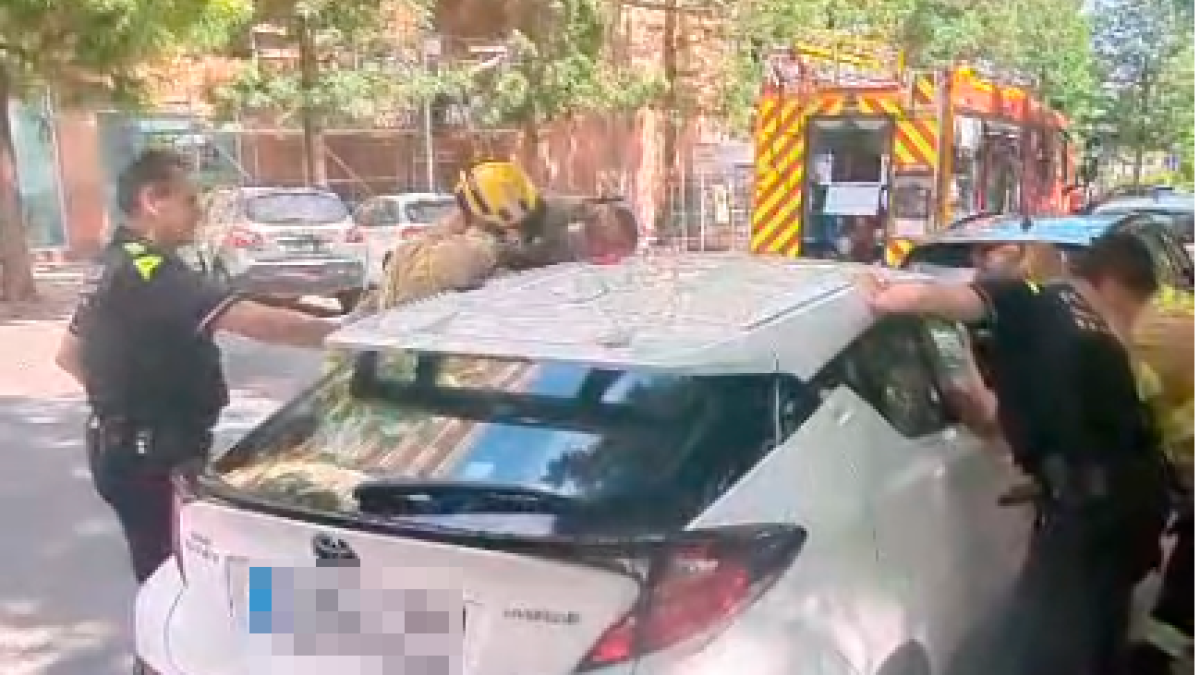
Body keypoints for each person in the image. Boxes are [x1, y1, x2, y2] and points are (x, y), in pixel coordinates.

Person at [857, 231, 1173, 675]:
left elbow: (936, 301)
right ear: (1113, 283)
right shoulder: (1077, 321)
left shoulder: (1035, 303)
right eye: (1133, 305)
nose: (1132, 318)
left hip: (1088, 523)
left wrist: (883, 297)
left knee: (1054, 650)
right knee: (1087, 645)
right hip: (1123, 517)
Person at [54, 149, 342, 584]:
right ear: (154, 200)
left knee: (168, 573)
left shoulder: (114, 261)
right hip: (154, 457)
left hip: (126, 449)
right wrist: (349, 329)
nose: (200, 212)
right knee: (182, 585)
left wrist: (124, 399)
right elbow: (255, 321)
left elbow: (69, 355)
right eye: (190, 201)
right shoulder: (150, 270)